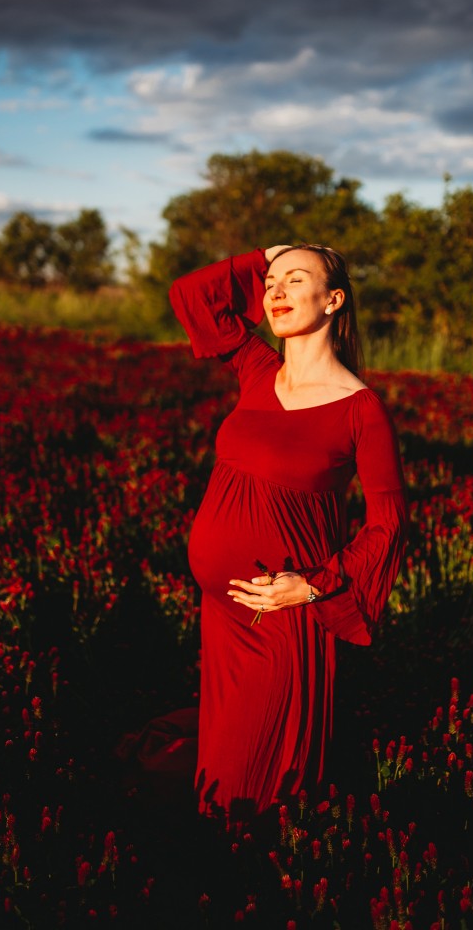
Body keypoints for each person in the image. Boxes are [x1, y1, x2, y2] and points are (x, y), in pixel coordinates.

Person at [169, 244, 408, 820]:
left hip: (279, 616)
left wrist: (315, 585)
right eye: (268, 282)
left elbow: (390, 523)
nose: (273, 291)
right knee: (220, 757)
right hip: (222, 610)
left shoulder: (360, 408)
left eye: (293, 280)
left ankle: (258, 881)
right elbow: (190, 296)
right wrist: (272, 252)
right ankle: (223, 871)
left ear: (333, 300)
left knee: (254, 780)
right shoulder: (257, 371)